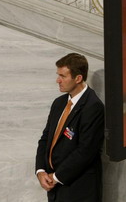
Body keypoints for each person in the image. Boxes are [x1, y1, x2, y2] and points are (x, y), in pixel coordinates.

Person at [35, 53, 104, 202]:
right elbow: (45, 139)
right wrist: (40, 171)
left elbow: (86, 151)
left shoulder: (93, 107)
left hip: (79, 190)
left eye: (63, 76)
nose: (57, 80)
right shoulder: (58, 103)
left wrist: (56, 176)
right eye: (58, 75)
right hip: (55, 189)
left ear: (78, 78)